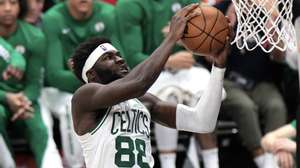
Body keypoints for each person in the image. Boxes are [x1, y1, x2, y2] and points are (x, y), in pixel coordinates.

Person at [71, 4, 230, 168]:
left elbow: (202, 122)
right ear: (91, 75)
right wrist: (171, 38)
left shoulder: (143, 101)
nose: (119, 59)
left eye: (118, 55)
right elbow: (139, 83)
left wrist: (218, 67)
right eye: (107, 58)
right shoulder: (85, 97)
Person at [115, 1, 223, 168]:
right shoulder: (129, 5)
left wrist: (193, 42)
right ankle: (168, 164)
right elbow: (131, 56)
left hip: (188, 69)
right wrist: (168, 58)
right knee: (168, 98)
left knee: (204, 98)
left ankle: (212, 163)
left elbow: (203, 41)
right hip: (152, 74)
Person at [41, 0, 122, 167]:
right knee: (69, 107)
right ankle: (75, 165)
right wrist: (95, 79)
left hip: (99, 86)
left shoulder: (108, 14)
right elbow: (54, 75)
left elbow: (120, 63)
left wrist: (91, 79)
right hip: (60, 91)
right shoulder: (53, 18)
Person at [216, 2, 288, 168]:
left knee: (276, 106)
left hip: (261, 82)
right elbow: (209, 57)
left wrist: (275, 32)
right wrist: (226, 28)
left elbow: (279, 58)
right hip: (228, 80)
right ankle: (263, 160)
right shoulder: (221, 10)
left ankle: (273, 158)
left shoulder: (268, 11)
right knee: (244, 106)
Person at [0, 0, 63, 167]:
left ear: (21, 6)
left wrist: (22, 102)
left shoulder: (35, 37)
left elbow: (34, 83)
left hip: (25, 99)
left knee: (40, 129)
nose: (7, 9)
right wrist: (7, 98)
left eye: (13, 3)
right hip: (2, 99)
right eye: (0, 4)